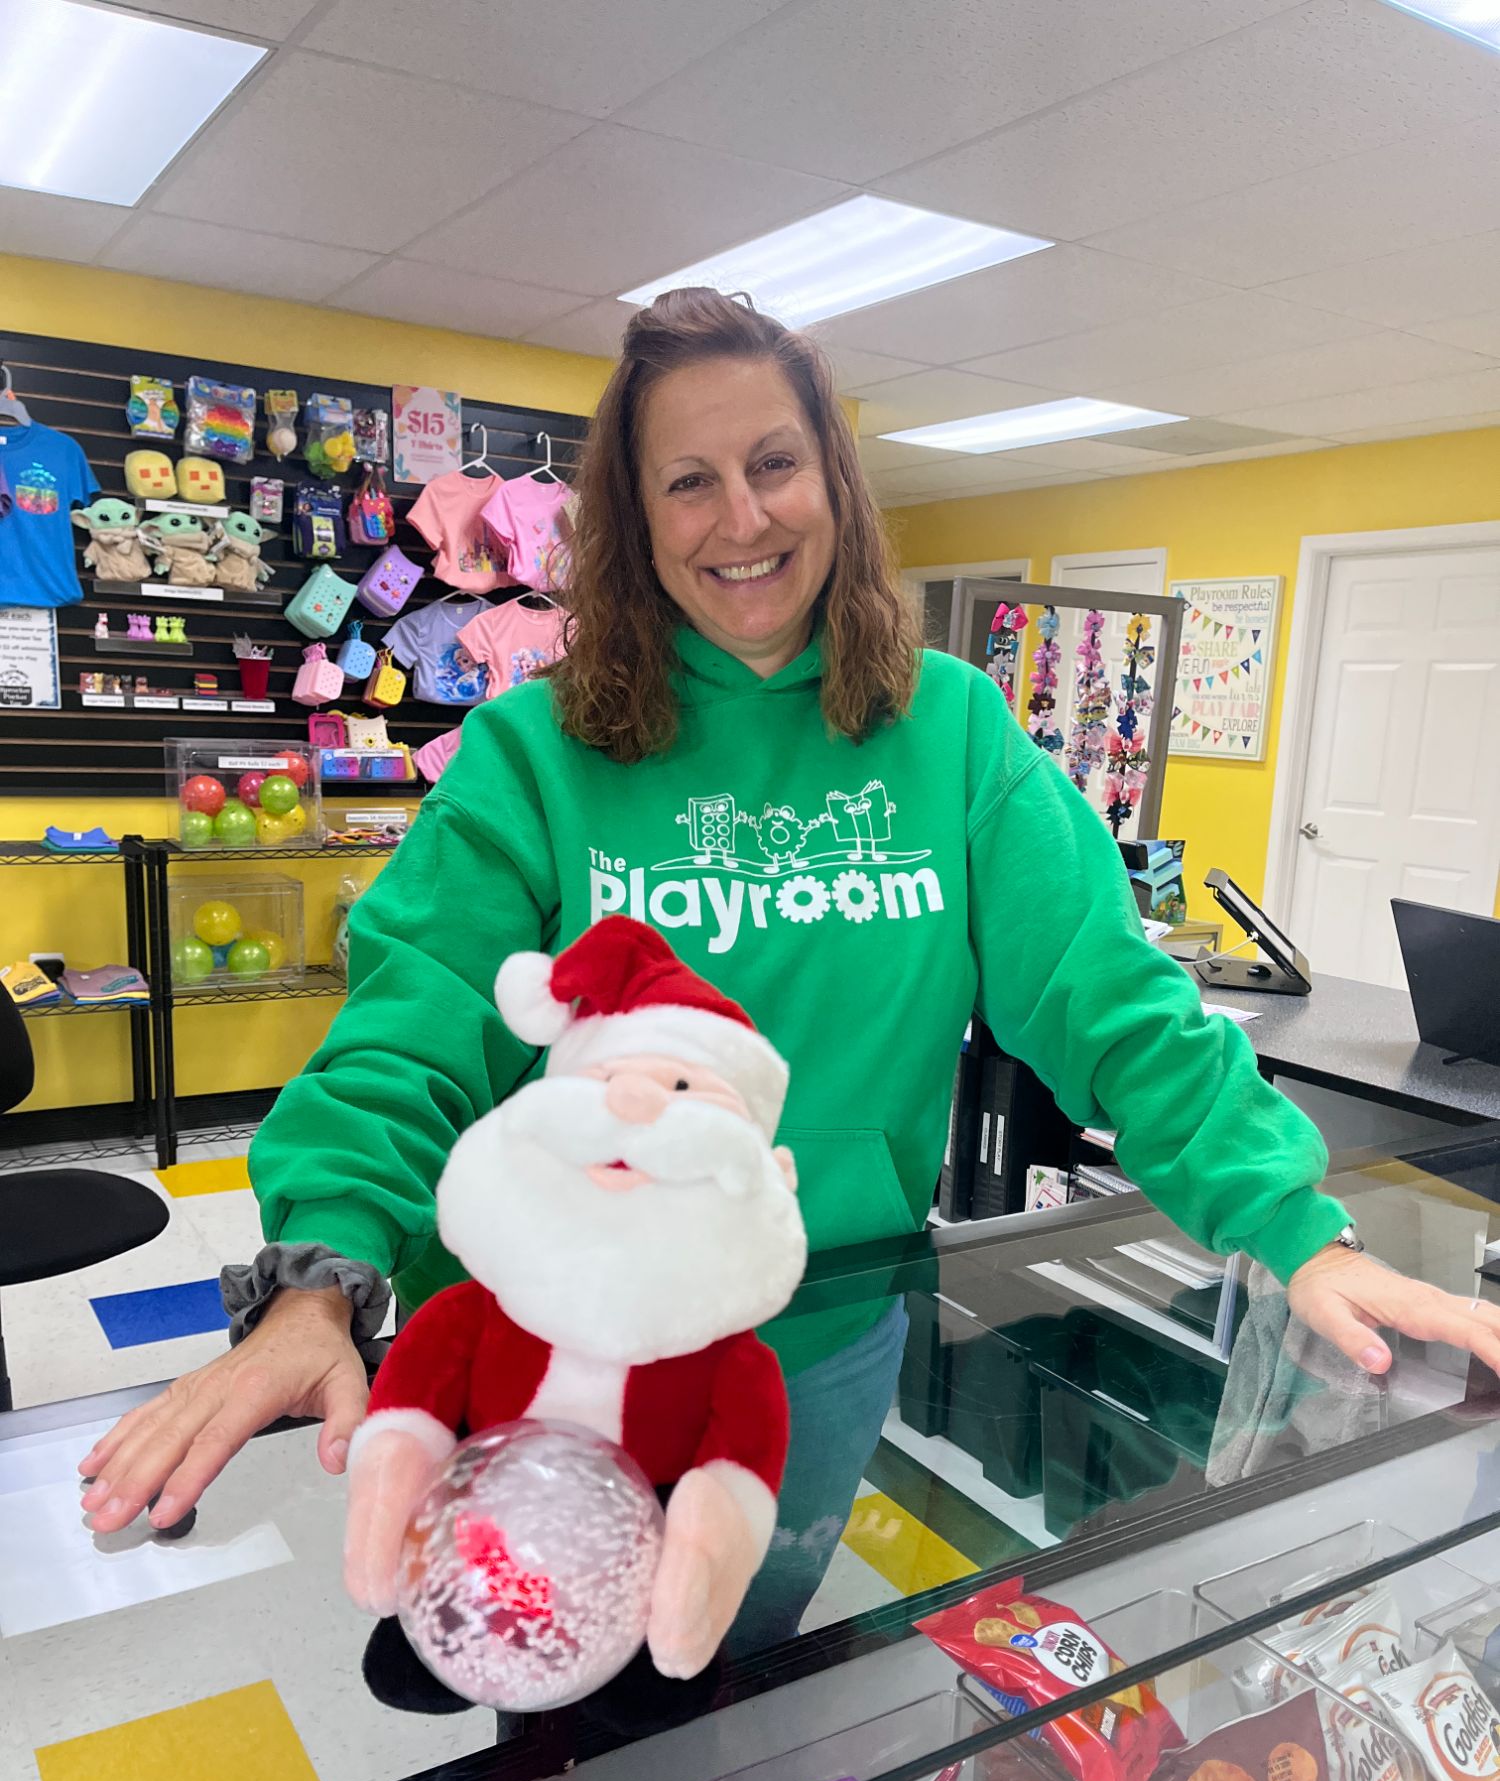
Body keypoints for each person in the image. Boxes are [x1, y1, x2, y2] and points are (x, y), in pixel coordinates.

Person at [81, 288, 1500, 1641]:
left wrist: (1292, 1224)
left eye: (773, 462)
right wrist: (317, 1283)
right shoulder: (533, 750)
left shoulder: (950, 732)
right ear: (635, 523)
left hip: (810, 1334)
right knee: (540, 1684)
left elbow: (1113, 996)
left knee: (738, 1683)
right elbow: (413, 1026)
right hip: (546, 1340)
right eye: (686, 481)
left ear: (836, 481)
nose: (741, 516)